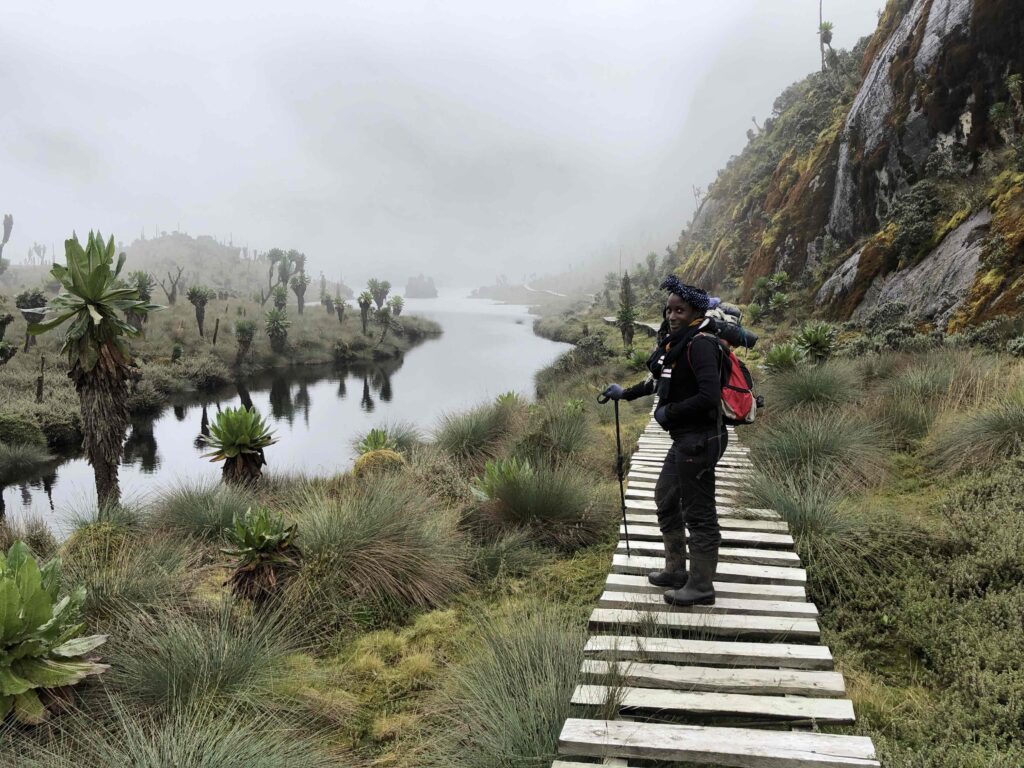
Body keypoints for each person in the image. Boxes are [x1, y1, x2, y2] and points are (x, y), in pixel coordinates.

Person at [602, 276, 727, 606]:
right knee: (666, 498)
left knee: (699, 514)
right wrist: (624, 394)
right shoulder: (677, 345)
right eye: (669, 310)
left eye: (680, 310)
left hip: (701, 440)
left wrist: (669, 415)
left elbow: (709, 396)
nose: (672, 316)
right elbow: (657, 381)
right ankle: (675, 570)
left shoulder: (700, 344)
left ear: (695, 312)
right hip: (685, 439)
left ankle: (701, 586)